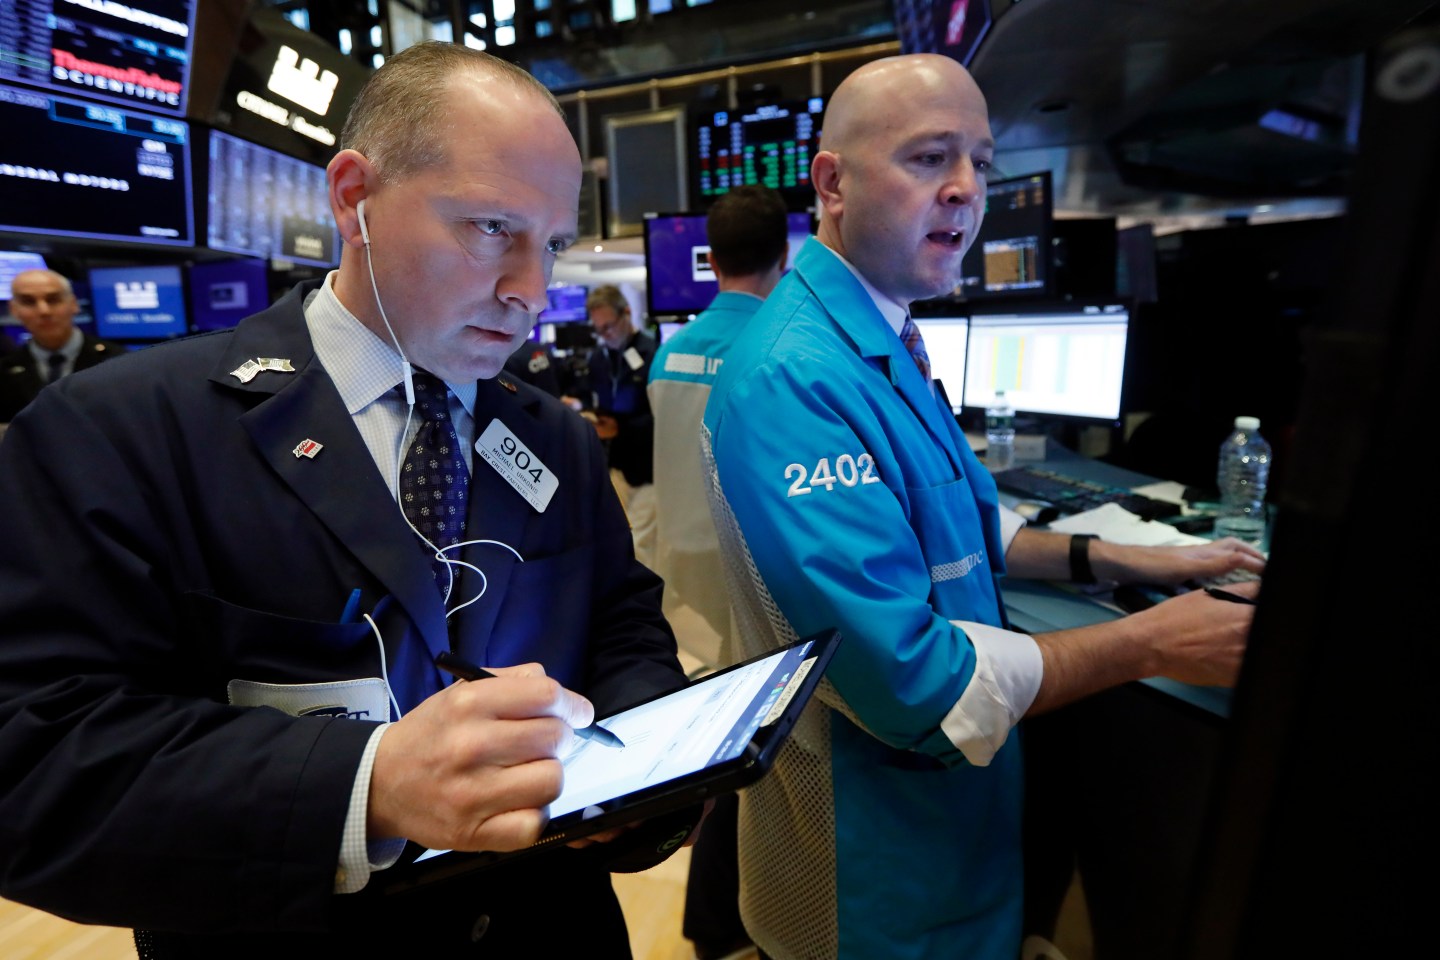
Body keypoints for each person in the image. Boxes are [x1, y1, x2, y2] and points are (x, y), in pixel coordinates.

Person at [0, 42, 691, 958]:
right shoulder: (125, 430)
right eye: (490, 227)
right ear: (353, 197)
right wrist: (365, 785)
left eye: (552, 244)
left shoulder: (550, 434)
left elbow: (621, 627)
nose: (532, 289)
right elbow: (32, 763)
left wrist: (649, 773)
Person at [700, 54, 1266, 960]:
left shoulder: (883, 338)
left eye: (982, 163)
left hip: (953, 846)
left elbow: (958, 522)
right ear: (832, 183)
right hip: (870, 880)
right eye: (930, 158)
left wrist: (1131, 558)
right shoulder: (793, 380)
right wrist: (1156, 642)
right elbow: (917, 684)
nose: (967, 190)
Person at [647, 184, 790, 960]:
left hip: (684, 574)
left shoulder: (673, 351)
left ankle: (714, 924)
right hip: (749, 571)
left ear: (713, 255)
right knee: (755, 757)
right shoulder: (774, 349)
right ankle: (723, 921)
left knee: (725, 748)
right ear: (785, 255)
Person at [574, 284, 658, 567]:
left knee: (641, 548)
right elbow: (590, 398)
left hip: (647, 469)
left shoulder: (652, 354)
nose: (605, 335)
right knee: (616, 541)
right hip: (611, 465)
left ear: (627, 313)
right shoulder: (598, 359)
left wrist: (620, 429)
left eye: (609, 326)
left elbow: (659, 417)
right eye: (598, 329)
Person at [0, 268, 126, 421]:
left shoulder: (118, 361)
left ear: (73, 304)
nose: (43, 311)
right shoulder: (4, 370)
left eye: (53, 299)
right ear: (14, 310)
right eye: (29, 302)